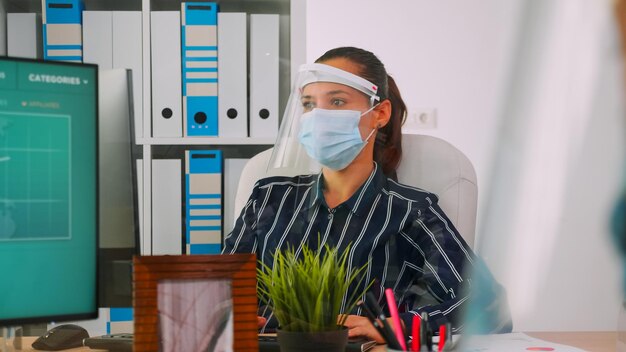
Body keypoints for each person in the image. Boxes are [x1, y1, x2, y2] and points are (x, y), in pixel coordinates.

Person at [223, 46, 511, 342]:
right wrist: (227, 315)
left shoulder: (412, 211)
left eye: (337, 101)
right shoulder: (268, 199)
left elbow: (488, 308)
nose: (318, 116)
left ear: (380, 113)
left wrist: (395, 325)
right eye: (309, 104)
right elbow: (220, 292)